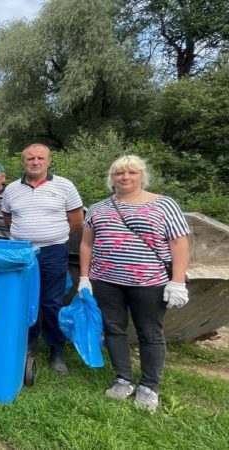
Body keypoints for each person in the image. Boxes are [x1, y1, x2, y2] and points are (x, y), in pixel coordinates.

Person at [79, 155, 190, 412]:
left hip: (149, 283)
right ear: (112, 178)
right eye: (119, 173)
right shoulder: (98, 209)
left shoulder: (164, 205)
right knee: (115, 330)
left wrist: (178, 281)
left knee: (149, 333)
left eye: (132, 173)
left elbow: (179, 243)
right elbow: (86, 244)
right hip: (106, 281)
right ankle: (123, 379)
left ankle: (149, 386)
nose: (125, 177)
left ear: (142, 176)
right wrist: (84, 278)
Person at [1, 143, 83, 375]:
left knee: (51, 302)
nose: (35, 162)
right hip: (22, 252)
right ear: (23, 162)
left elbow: (77, 220)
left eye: (40, 158)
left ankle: (57, 349)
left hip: (53, 252)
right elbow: (9, 219)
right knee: (25, 300)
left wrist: (52, 234)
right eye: (30, 158)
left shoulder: (65, 185)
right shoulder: (11, 190)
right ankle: (30, 341)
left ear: (48, 161)